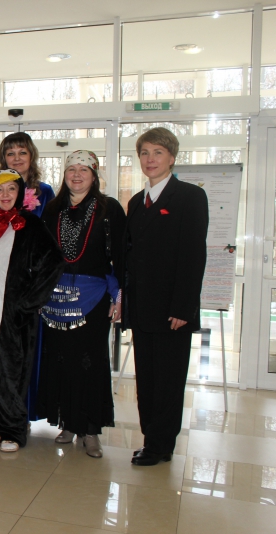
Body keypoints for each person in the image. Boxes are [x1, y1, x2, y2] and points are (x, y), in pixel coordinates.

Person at [123, 127, 208, 466]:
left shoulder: (190, 197)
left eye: (157, 152)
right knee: (146, 380)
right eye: (144, 153)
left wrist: (184, 307)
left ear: (172, 157)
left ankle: (160, 445)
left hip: (173, 311)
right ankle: (151, 439)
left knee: (168, 382)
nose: (150, 159)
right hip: (142, 309)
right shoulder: (136, 202)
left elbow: (193, 256)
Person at [0, 169, 64, 452]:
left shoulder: (29, 224)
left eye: (11, 189)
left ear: (20, 193)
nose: (5, 195)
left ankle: (13, 431)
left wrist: (27, 303)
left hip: (9, 315)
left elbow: (53, 263)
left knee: (9, 374)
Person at [38, 150, 126, 458]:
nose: (76, 175)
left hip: (94, 297)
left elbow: (121, 256)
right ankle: (68, 423)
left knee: (90, 362)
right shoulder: (52, 209)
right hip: (56, 299)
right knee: (61, 360)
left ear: (94, 175)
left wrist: (120, 296)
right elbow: (43, 255)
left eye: (83, 170)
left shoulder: (109, 209)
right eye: (71, 169)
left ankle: (90, 429)